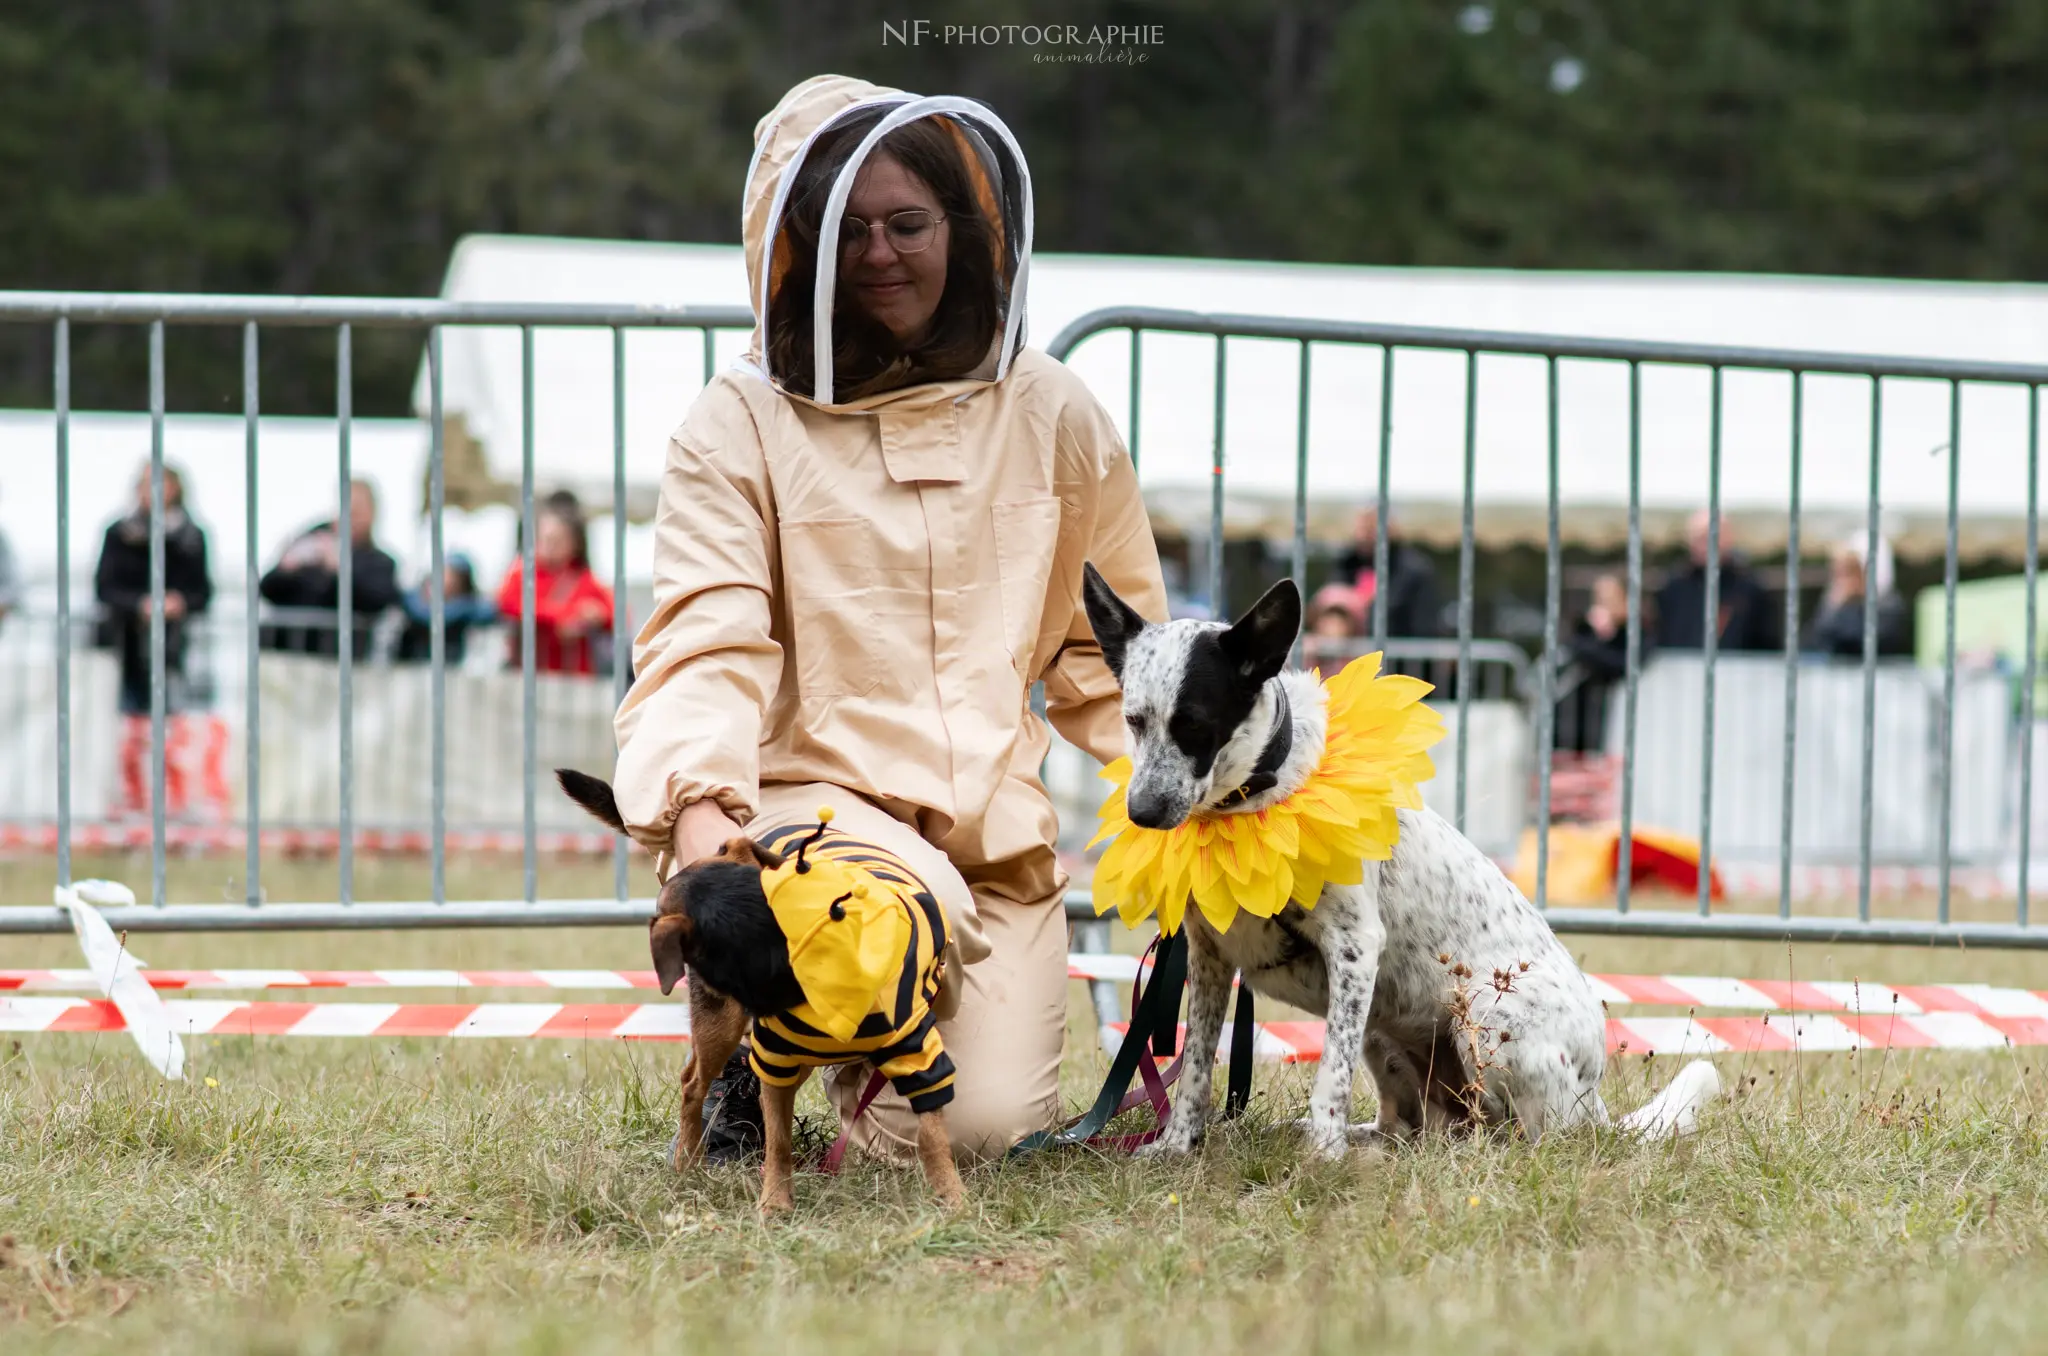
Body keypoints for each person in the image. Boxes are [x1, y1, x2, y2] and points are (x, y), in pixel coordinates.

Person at [608, 76, 1166, 1166]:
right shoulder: (737, 423)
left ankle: (797, 1044)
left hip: (993, 846)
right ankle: (770, 1032)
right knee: (914, 910)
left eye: (907, 223)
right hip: (811, 824)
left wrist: (1224, 784)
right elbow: (702, 636)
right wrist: (700, 821)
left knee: (980, 1128)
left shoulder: (1052, 409)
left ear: (963, 229)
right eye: (844, 230)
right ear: (795, 246)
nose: (878, 254)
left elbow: (1115, 651)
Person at [93, 464, 218, 815]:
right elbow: (104, 587)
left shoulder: (192, 537)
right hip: (125, 647)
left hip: (174, 649)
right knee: (127, 727)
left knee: (174, 729)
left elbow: (203, 592)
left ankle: (173, 804)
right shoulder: (119, 532)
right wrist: (139, 605)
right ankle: (127, 801)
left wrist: (179, 602)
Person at [259, 479, 401, 657]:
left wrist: (338, 569)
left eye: (357, 510)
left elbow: (376, 600)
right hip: (288, 661)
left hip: (342, 661)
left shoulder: (380, 563)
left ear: (371, 514)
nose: (350, 516)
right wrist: (287, 567)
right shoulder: (310, 545)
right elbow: (268, 589)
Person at [495, 495, 615, 676]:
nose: (549, 546)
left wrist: (595, 615)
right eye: (545, 539)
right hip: (528, 672)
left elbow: (615, 614)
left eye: (557, 540)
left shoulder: (584, 578)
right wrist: (562, 616)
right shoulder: (522, 572)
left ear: (574, 544)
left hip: (573, 676)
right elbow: (506, 603)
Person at [1653, 508, 1774, 652]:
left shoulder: (1750, 589)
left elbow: (1767, 645)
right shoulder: (1673, 588)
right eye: (1699, 538)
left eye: (1712, 537)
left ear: (1729, 538)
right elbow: (1661, 638)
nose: (1705, 545)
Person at [1554, 572, 1633, 754]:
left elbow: (1623, 665)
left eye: (1610, 597)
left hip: (1610, 714)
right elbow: (1575, 649)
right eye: (1599, 597)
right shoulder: (1583, 627)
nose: (1603, 603)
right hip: (1576, 714)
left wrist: (1607, 637)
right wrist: (1596, 635)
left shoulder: (1632, 630)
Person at [1333, 507, 1441, 639]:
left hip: (1398, 652)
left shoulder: (1414, 569)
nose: (1363, 535)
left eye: (1370, 528)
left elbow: (1423, 624)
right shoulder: (1347, 563)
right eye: (1361, 528)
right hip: (1354, 654)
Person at [1804, 540, 1908, 658]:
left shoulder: (1888, 606)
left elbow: (1864, 643)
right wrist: (1832, 609)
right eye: (1838, 573)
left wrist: (1842, 608)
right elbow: (1811, 644)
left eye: (1849, 572)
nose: (1842, 581)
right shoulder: (1833, 603)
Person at [395, 552, 497, 665]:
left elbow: (488, 612)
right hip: (413, 663)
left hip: (453, 666)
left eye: (455, 578)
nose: (448, 581)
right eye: (445, 575)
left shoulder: (469, 606)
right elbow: (422, 613)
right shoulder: (415, 598)